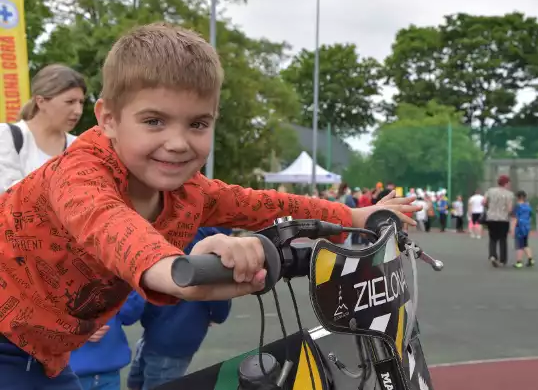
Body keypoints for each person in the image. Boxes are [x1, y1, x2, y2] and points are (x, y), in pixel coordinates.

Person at [0, 22, 420, 389]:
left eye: (198, 123)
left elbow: (261, 203)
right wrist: (178, 265)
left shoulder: (189, 193)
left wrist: (355, 217)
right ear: (108, 119)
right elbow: (108, 224)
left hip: (42, 357)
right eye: (154, 121)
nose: (178, 142)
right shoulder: (79, 172)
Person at [127, 228, 233, 390]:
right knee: (145, 377)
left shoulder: (178, 234)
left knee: (147, 378)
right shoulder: (213, 246)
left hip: (165, 330)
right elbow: (219, 296)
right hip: (171, 332)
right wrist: (218, 315)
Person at [0, 64, 86, 192]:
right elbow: (9, 192)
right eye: (70, 102)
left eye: (81, 102)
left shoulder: (79, 146)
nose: (78, 111)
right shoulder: (7, 136)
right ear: (40, 101)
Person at [70, 292, 145, 390]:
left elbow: (129, 315)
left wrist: (133, 285)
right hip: (67, 373)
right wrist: (74, 328)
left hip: (108, 369)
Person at [484, 175, 514, 267]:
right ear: (506, 183)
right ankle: (502, 259)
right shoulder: (509, 194)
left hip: (491, 217)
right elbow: (509, 208)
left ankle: (493, 255)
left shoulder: (490, 191)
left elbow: (484, 202)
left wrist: (489, 208)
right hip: (503, 219)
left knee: (492, 238)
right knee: (503, 239)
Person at [511, 190, 535, 269]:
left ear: (518, 197)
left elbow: (515, 218)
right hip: (526, 226)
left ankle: (519, 262)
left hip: (519, 227)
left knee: (519, 245)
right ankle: (530, 259)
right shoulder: (528, 206)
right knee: (525, 244)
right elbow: (530, 216)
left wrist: (512, 229)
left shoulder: (517, 206)